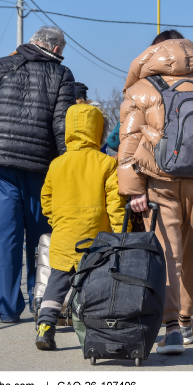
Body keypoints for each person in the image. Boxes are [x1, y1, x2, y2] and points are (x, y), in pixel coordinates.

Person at [117, 29, 193, 355]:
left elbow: (128, 144)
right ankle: (186, 319)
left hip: (160, 181)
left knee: (166, 252)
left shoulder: (141, 89)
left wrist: (132, 191)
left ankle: (170, 328)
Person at [0, 26, 76, 323]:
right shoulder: (62, 75)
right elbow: (61, 127)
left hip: (0, 164)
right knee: (42, 235)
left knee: (6, 236)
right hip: (41, 167)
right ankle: (40, 299)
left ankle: (8, 308)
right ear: (55, 49)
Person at [35, 103, 127, 350]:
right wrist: (119, 235)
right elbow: (115, 204)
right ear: (98, 131)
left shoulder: (57, 164)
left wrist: (58, 221)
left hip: (64, 236)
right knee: (96, 283)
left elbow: (46, 200)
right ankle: (95, 329)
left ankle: (45, 325)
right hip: (96, 239)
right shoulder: (106, 164)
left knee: (56, 282)